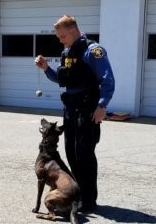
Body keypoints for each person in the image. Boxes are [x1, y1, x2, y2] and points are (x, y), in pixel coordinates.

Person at [35, 15, 115, 212]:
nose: (60, 40)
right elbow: (64, 79)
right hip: (70, 110)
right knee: (71, 154)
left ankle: (89, 200)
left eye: (62, 36)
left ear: (72, 30)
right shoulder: (68, 51)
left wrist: (102, 106)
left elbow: (108, 80)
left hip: (88, 110)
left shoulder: (93, 51)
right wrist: (46, 69)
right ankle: (76, 196)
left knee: (85, 155)